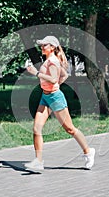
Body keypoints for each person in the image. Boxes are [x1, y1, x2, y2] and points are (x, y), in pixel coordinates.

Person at [25, 36, 95, 170]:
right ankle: (38, 161)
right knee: (36, 129)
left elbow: (52, 79)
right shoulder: (49, 60)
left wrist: (36, 73)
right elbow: (63, 75)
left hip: (55, 98)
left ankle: (88, 151)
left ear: (52, 47)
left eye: (44, 45)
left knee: (70, 129)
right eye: (41, 45)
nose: (42, 47)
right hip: (45, 97)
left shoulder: (53, 62)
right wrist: (54, 85)